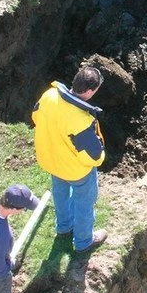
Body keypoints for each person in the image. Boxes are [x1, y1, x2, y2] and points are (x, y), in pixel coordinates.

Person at [31, 66, 108, 252]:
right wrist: (102, 152)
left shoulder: (49, 95)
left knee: (61, 194)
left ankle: (64, 227)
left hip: (51, 160)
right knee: (84, 203)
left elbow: (35, 117)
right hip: (75, 171)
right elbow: (94, 157)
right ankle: (84, 241)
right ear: (89, 91)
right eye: (96, 89)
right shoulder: (80, 120)